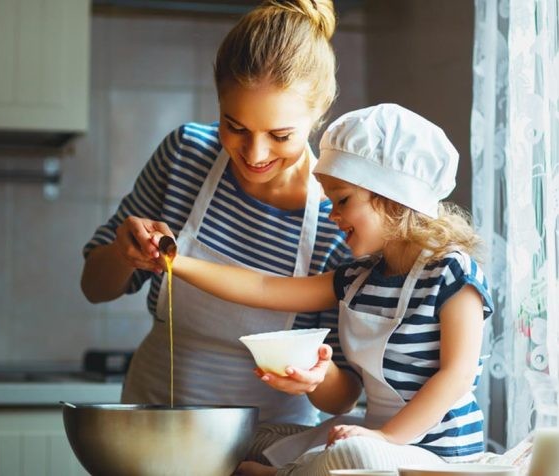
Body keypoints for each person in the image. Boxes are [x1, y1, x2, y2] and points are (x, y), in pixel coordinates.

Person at [80, 0, 356, 463]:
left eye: (281, 135)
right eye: (236, 126)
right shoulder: (186, 156)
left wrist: (316, 378)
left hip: (269, 451)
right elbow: (94, 287)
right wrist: (122, 254)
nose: (254, 153)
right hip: (152, 431)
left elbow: (342, 395)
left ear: (319, 113)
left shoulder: (339, 213)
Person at [160, 103, 495, 476]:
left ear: (392, 198)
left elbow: (457, 374)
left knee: (359, 460)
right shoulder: (357, 278)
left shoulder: (452, 273)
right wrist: (173, 261)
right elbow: (264, 287)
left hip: (437, 457)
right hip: (373, 435)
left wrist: (385, 439)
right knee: (256, 438)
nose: (332, 215)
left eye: (343, 200)